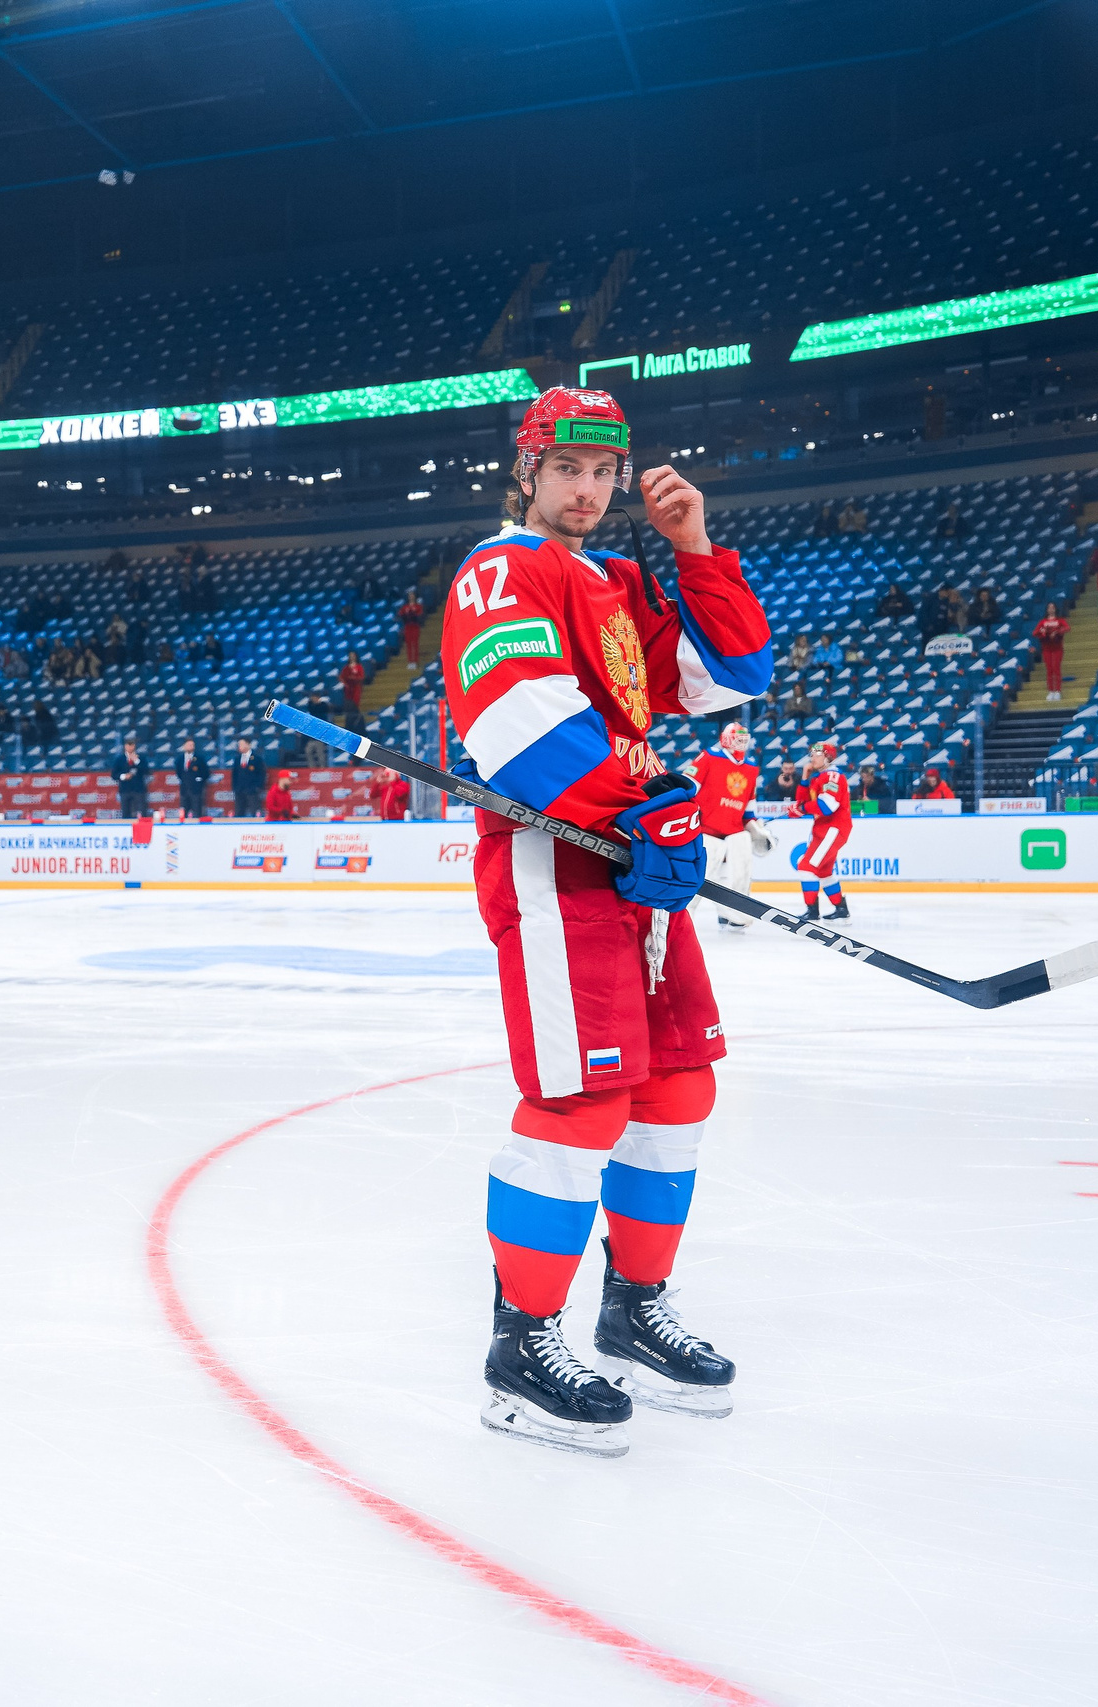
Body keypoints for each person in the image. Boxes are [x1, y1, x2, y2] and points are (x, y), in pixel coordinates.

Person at [438, 385, 771, 1456]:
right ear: (526, 469)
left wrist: (696, 548)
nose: (587, 490)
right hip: (561, 861)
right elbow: (518, 729)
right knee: (582, 1099)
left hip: (637, 863)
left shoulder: (616, 577)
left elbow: (727, 678)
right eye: (567, 470)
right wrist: (648, 813)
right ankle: (520, 1347)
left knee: (678, 1085)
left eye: (603, 474)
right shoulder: (502, 569)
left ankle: (631, 1310)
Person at [689, 723, 766, 930]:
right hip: (706, 831)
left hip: (734, 833)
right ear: (725, 739)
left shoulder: (750, 767)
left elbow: (749, 806)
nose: (741, 743)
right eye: (736, 738)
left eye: (743, 738)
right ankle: (684, 915)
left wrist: (757, 829)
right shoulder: (708, 757)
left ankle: (732, 914)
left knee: (736, 876)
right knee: (701, 877)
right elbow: (688, 787)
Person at [793, 741, 853, 919]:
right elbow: (801, 801)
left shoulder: (832, 776)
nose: (812, 757)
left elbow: (827, 806)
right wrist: (804, 776)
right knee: (824, 871)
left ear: (827, 756)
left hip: (833, 829)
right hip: (825, 829)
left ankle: (812, 911)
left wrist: (802, 809)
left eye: (816, 754)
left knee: (806, 866)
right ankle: (841, 909)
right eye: (811, 754)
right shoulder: (820, 777)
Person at [1034, 602, 1071, 700]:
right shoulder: (1043, 621)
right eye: (1049, 608)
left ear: (1055, 609)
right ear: (1047, 610)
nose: (1051, 609)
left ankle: (1058, 690)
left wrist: (1058, 631)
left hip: (1057, 648)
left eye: (1053, 607)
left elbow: (1067, 628)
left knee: (1056, 669)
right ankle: (1051, 690)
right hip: (1046, 648)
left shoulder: (1060, 620)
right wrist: (1043, 632)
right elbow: (1035, 632)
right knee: (1049, 670)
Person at [109, 736, 147, 822]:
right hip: (125, 790)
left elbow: (146, 771)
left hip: (138, 790)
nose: (130, 747)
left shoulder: (141, 758)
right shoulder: (120, 759)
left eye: (132, 745)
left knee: (142, 812)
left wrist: (137, 761)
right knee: (126, 813)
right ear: (125, 746)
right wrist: (123, 776)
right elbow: (114, 775)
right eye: (128, 745)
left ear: (135, 746)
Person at [174, 737, 209, 820]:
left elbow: (205, 772)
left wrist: (199, 780)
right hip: (184, 789)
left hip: (196, 790)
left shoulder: (199, 758)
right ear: (184, 746)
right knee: (184, 811)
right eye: (189, 745)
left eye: (192, 745)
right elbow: (179, 773)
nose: (191, 746)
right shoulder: (180, 759)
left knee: (197, 811)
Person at [232, 737, 267, 820]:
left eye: (241, 744)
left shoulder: (257, 759)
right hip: (240, 791)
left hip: (252, 790)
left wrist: (257, 787)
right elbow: (234, 774)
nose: (239, 746)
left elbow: (261, 774)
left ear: (248, 745)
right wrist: (235, 788)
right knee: (239, 812)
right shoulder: (237, 759)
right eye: (239, 745)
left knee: (254, 811)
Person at [397, 590, 428, 663]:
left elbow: (420, 614)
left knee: (415, 643)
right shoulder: (405, 607)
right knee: (408, 644)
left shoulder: (418, 606)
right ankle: (410, 660)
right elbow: (400, 614)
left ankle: (415, 660)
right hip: (407, 627)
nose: (411, 597)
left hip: (415, 626)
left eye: (412, 595)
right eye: (410, 595)